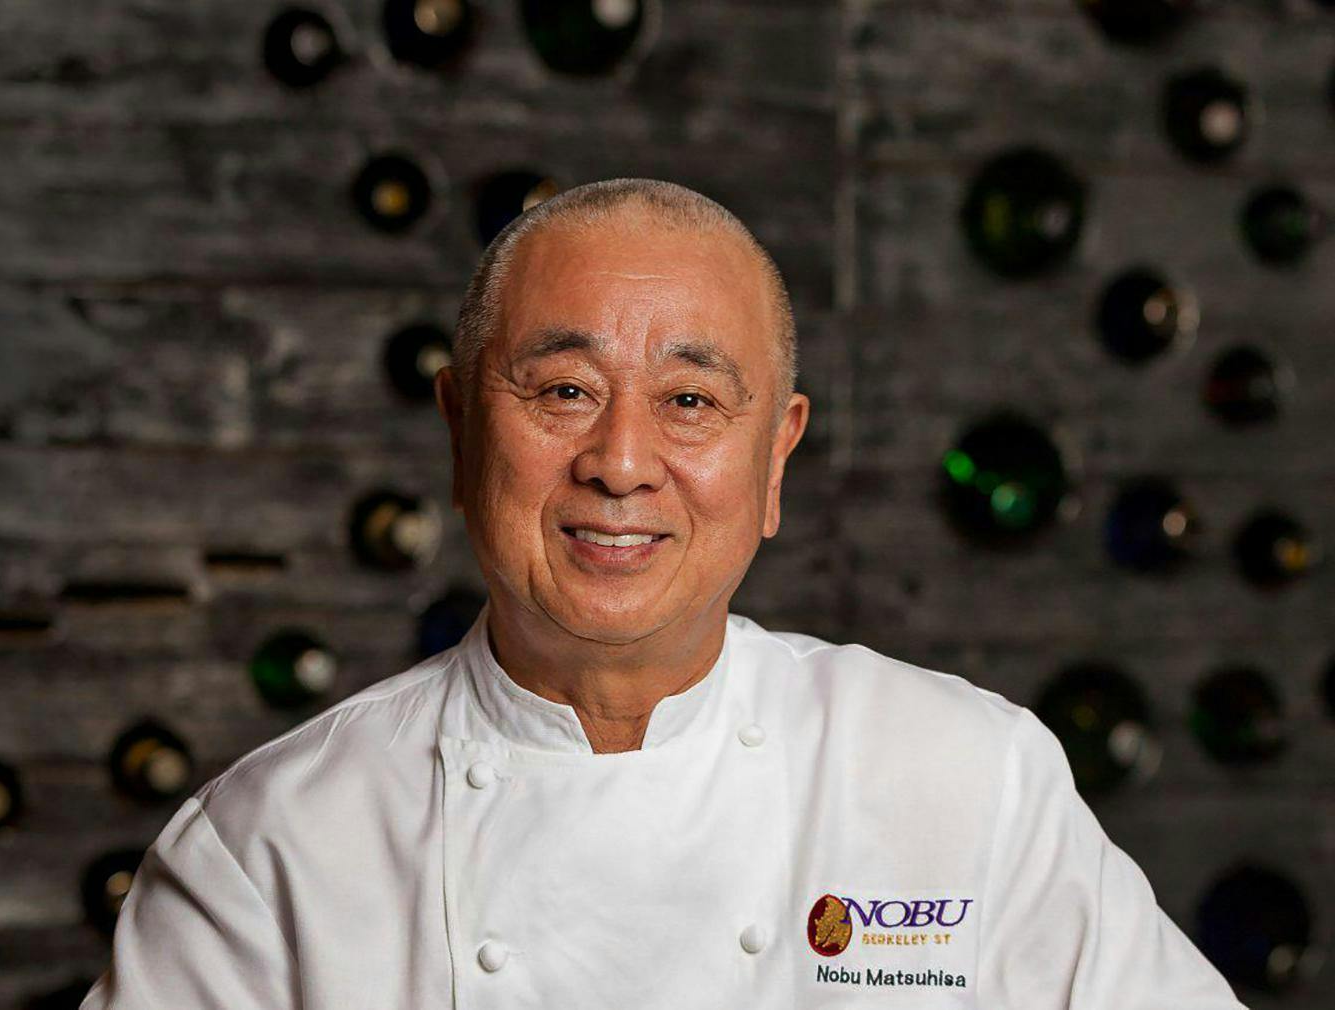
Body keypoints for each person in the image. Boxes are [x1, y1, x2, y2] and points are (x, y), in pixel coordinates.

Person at [79, 178, 1249, 1008]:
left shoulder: (968, 777)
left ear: (775, 456)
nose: (621, 461)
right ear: (459, 429)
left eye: (690, 401)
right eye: (563, 390)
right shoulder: (269, 848)